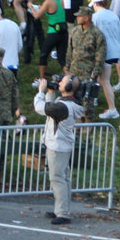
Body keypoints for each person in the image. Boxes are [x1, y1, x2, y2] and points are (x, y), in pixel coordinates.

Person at [33, 75, 86, 225]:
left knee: (57, 179)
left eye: (62, 81)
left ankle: (63, 213)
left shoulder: (64, 106)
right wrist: (51, 92)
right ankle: (60, 210)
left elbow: (41, 108)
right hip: (61, 145)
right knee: (63, 178)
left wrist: (41, 92)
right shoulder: (68, 103)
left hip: (57, 146)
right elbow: (51, 107)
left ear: (69, 88)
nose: (59, 82)